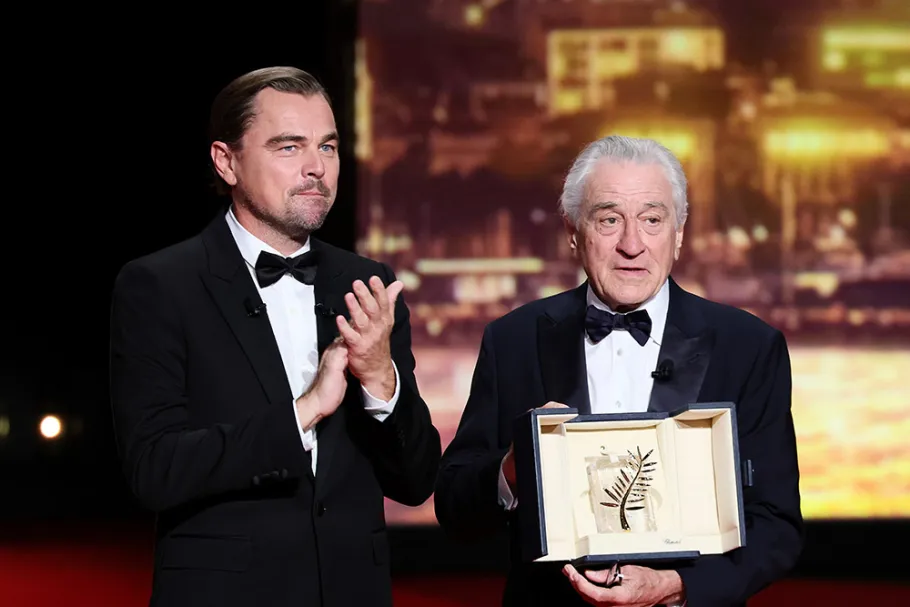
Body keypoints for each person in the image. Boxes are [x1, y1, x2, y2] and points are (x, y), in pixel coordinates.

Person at [109, 66, 441, 607]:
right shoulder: (161, 285)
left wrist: (382, 380)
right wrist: (304, 411)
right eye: (289, 147)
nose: (317, 168)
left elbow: (415, 481)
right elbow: (155, 470)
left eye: (328, 147)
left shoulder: (367, 284)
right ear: (227, 161)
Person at [434, 135, 803, 607]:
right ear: (573, 232)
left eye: (652, 220)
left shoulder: (749, 347)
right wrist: (512, 470)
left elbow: (777, 525)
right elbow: (454, 506)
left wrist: (676, 586)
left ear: (679, 234)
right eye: (609, 220)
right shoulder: (513, 340)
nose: (632, 244)